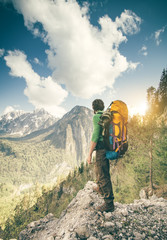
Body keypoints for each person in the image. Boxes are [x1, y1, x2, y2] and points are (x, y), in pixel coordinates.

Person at [87, 99, 114, 212]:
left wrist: (89, 154)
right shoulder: (106, 115)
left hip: (101, 149)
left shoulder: (96, 116)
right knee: (100, 169)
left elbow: (96, 135)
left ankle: (109, 204)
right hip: (107, 147)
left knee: (103, 174)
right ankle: (100, 188)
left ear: (94, 108)